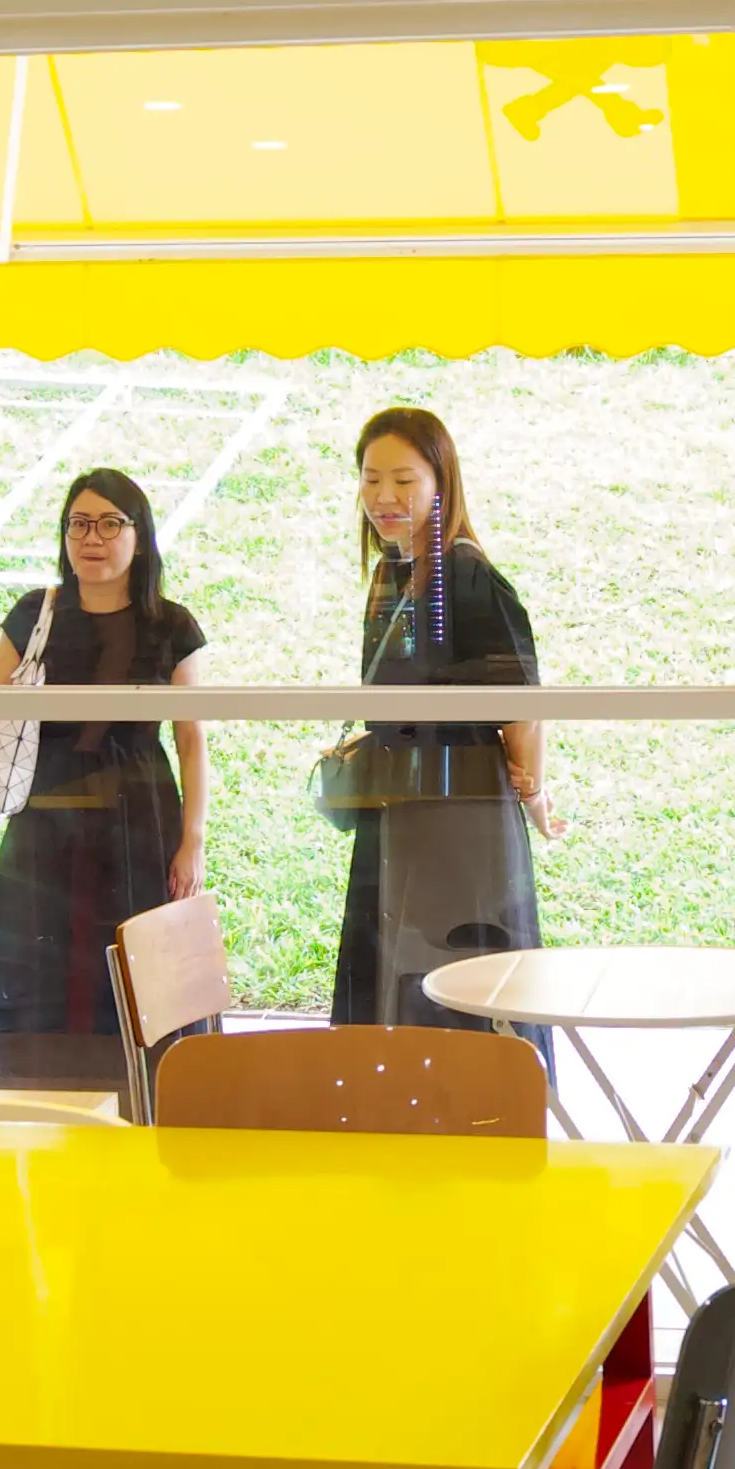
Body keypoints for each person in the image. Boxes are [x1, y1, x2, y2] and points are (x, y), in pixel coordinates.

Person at [0, 469, 208, 1089]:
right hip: (44, 825)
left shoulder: (171, 625)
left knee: (138, 971)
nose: (93, 538)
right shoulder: (36, 615)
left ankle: (145, 1097)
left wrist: (192, 840)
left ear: (139, 537)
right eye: (79, 524)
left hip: (137, 824)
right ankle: (36, 1100)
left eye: (110, 523)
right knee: (39, 967)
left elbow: (191, 740)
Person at [328, 406, 555, 1037]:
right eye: (372, 480)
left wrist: (532, 791)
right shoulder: (394, 573)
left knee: (458, 974)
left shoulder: (464, 573)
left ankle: (471, 1116)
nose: (384, 497)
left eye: (404, 480)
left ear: (440, 483)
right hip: (404, 804)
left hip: (457, 814)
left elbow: (521, 701)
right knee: (404, 973)